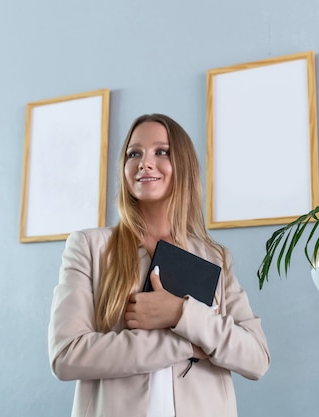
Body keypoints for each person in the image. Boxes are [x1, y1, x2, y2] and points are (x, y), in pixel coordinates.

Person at [48, 113, 270, 417]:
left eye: (161, 152)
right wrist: (183, 345)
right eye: (134, 153)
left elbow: (256, 358)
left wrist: (180, 313)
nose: (144, 162)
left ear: (184, 165)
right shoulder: (89, 247)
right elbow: (66, 355)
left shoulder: (214, 258)